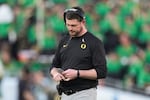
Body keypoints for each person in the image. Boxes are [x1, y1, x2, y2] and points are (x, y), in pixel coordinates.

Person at [49, 6, 107, 100]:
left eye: (73, 25)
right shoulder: (64, 41)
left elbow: (101, 72)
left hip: (84, 93)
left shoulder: (94, 42)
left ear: (83, 22)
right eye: (68, 25)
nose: (70, 28)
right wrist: (55, 73)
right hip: (64, 93)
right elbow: (54, 66)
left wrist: (77, 73)